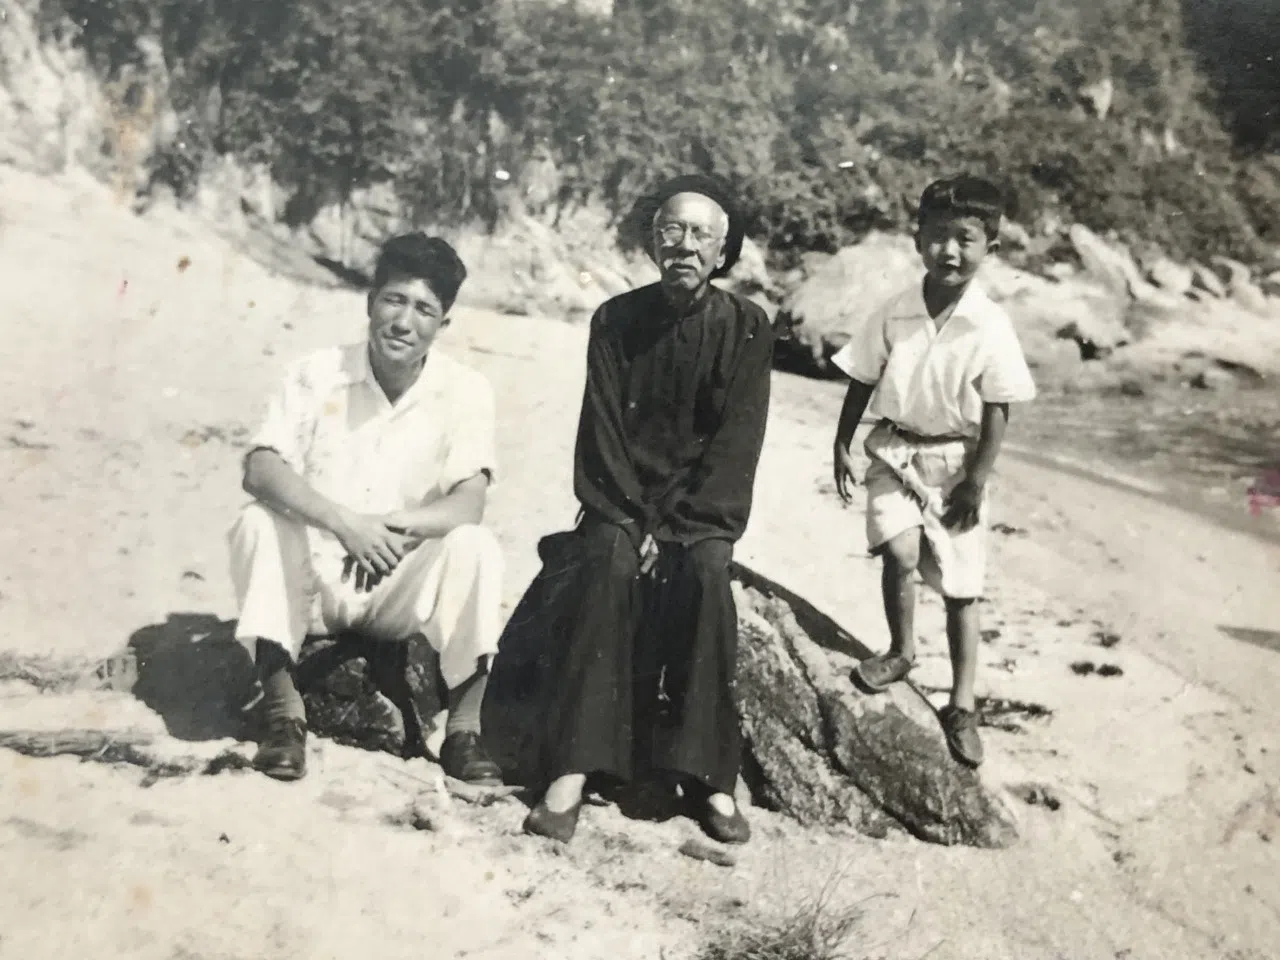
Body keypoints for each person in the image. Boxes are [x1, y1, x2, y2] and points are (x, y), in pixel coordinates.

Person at [522, 174, 774, 845]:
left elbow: (737, 446)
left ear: (722, 252)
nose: (684, 245)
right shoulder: (614, 321)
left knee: (708, 574)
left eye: (701, 235)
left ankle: (710, 779)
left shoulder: (747, 327)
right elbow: (601, 434)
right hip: (620, 502)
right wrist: (634, 522)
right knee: (606, 564)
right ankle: (572, 770)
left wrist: (680, 528)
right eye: (672, 230)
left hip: (700, 510)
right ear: (653, 241)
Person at [228, 232, 504, 785]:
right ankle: (283, 718)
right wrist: (345, 524)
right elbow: (259, 468)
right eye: (394, 300)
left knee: (475, 545)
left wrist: (393, 528)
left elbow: (469, 502)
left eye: (424, 309)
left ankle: (463, 731)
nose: (404, 322)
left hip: (396, 580)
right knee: (256, 522)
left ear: (443, 323)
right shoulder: (315, 372)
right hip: (315, 583)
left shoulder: (466, 389)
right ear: (370, 302)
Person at [830, 174, 1036, 769]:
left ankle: (962, 703)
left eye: (965, 239)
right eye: (938, 237)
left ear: (990, 248)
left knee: (961, 587)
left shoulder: (989, 323)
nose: (950, 251)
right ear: (918, 238)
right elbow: (862, 377)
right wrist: (842, 442)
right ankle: (900, 651)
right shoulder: (896, 311)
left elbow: (997, 409)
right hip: (894, 451)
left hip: (955, 463)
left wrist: (976, 481)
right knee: (897, 551)